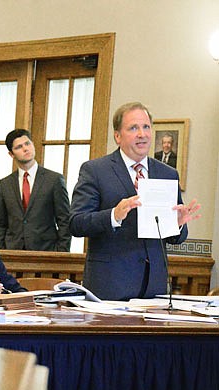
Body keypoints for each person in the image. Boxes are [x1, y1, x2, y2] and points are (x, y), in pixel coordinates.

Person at [69, 102, 200, 301]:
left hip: (153, 288)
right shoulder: (95, 170)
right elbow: (76, 223)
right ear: (117, 136)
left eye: (146, 127)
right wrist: (114, 215)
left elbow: (175, 238)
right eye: (133, 128)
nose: (142, 134)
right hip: (110, 286)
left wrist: (177, 224)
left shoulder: (167, 173)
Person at [0, 129, 71, 251]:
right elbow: (0, 223)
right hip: (13, 252)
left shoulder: (54, 180)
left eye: (28, 143)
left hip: (46, 251)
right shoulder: (5, 184)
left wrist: (61, 252)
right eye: (19, 147)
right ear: (11, 154)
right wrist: (1, 250)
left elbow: (64, 220)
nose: (25, 149)